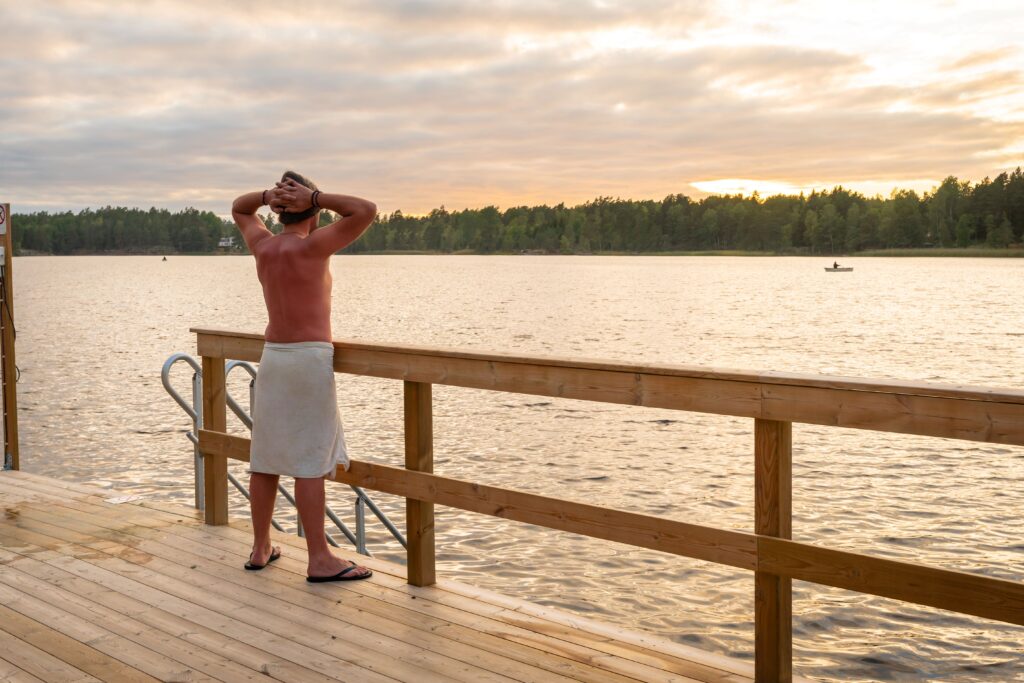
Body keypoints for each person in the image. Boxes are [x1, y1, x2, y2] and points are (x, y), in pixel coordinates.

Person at [231, 171, 377, 582]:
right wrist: (314, 196)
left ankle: (261, 547)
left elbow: (240, 209)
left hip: (273, 357)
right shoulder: (314, 247)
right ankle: (319, 558)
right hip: (308, 359)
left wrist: (267, 195)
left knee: (266, 458)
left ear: (277, 213)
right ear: (314, 213)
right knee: (310, 462)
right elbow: (365, 210)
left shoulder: (263, 246)